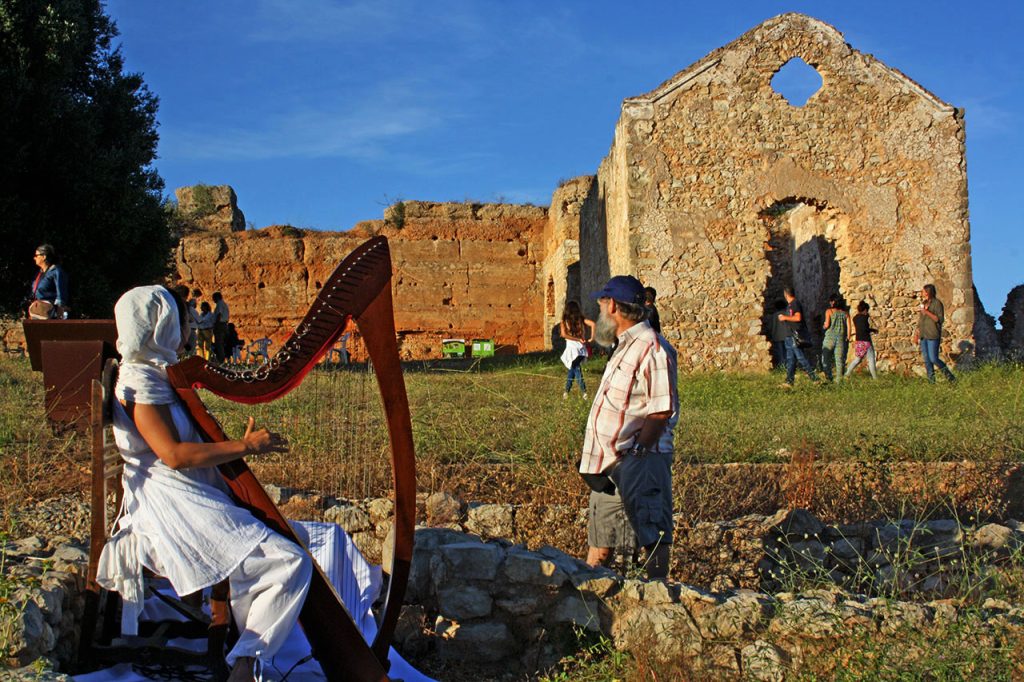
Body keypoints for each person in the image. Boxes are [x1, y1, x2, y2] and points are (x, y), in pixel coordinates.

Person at [95, 285, 310, 682]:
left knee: (289, 548)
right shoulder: (139, 379)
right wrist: (246, 446)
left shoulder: (153, 372)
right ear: (159, 324)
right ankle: (246, 663)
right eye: (182, 321)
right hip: (168, 507)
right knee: (290, 561)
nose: (189, 327)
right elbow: (173, 455)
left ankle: (243, 649)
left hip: (182, 495)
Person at [579, 275, 677, 580]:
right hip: (611, 465)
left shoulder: (653, 348)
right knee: (602, 538)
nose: (600, 310)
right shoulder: (623, 346)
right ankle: (589, 604)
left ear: (613, 307)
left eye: (602, 303)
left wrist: (636, 453)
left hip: (640, 461)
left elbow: (661, 411)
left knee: (652, 535)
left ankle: (658, 597)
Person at [778, 287, 819, 388]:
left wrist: (784, 317)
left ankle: (815, 378)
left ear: (785, 294)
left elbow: (798, 317)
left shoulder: (795, 303)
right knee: (790, 359)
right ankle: (789, 381)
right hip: (789, 335)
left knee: (801, 357)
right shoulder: (791, 305)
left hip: (794, 335)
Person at [914, 283, 955, 383]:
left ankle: (951, 378)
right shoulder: (924, 303)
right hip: (924, 335)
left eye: (923, 291)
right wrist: (916, 334)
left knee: (933, 359)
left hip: (933, 335)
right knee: (927, 361)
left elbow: (938, 319)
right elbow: (921, 321)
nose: (922, 293)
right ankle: (931, 382)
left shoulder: (937, 304)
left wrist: (926, 312)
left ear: (928, 292)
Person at [559, 301, 596, 399]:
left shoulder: (564, 321)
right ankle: (566, 391)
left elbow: (563, 335)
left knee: (576, 369)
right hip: (581, 350)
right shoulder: (581, 319)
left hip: (572, 350)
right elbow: (593, 324)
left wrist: (577, 339)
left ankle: (584, 392)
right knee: (573, 369)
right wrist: (591, 338)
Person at [29, 244, 70, 319]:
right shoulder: (39, 274)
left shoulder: (56, 271)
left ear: (44, 257)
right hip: (38, 312)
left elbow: (61, 293)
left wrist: (60, 313)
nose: (34, 258)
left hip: (51, 313)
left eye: (36, 255)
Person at [845, 300, 878, 379]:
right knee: (871, 359)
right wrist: (873, 330)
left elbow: (861, 328)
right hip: (866, 341)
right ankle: (875, 378)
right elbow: (865, 329)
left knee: (858, 359)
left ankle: (847, 374)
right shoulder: (865, 318)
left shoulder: (855, 318)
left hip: (859, 341)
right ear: (865, 310)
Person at [820, 294, 850, 383]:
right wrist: (848, 337)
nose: (830, 302)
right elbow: (849, 327)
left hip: (829, 338)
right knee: (839, 360)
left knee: (825, 358)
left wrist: (824, 326)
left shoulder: (829, 311)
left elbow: (827, 324)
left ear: (833, 302)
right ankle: (839, 380)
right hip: (841, 338)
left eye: (831, 301)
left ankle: (828, 377)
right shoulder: (846, 313)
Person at [767, 299, 790, 368]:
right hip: (787, 335)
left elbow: (773, 326)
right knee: (788, 352)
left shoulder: (775, 315)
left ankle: (782, 366)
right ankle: (789, 366)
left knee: (780, 353)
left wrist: (772, 334)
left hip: (778, 336)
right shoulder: (787, 314)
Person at [212, 291, 230, 363]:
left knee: (219, 343)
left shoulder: (219, 304)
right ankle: (223, 359)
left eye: (213, 298)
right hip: (224, 324)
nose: (213, 300)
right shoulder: (225, 304)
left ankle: (220, 360)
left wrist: (216, 325)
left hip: (220, 325)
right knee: (222, 343)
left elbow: (219, 315)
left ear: (217, 297)